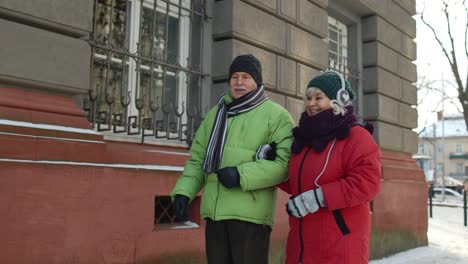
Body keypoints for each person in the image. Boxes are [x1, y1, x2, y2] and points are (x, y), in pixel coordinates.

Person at [171, 54, 294, 264]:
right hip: (216, 215)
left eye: (245, 77)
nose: (239, 82)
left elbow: (283, 165)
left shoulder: (277, 116)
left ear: (257, 81)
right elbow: (198, 160)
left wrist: (240, 175)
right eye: (234, 77)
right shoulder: (216, 115)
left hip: (251, 218)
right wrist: (184, 192)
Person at [278, 71, 382, 264]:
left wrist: (319, 197)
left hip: (339, 246)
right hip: (301, 247)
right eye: (308, 98)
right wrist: (272, 163)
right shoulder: (305, 139)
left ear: (339, 100)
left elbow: (367, 184)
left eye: (319, 97)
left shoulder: (357, 137)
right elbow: (298, 183)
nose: (311, 103)